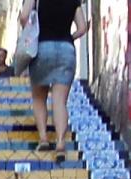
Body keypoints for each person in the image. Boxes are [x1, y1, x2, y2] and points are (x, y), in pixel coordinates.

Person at [15, 0, 86, 159]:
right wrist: (70, 38)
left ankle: (44, 139)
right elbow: (82, 28)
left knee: (39, 98)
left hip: (42, 48)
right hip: (66, 50)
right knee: (60, 101)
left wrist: (32, 31)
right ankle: (60, 144)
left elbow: (24, 16)